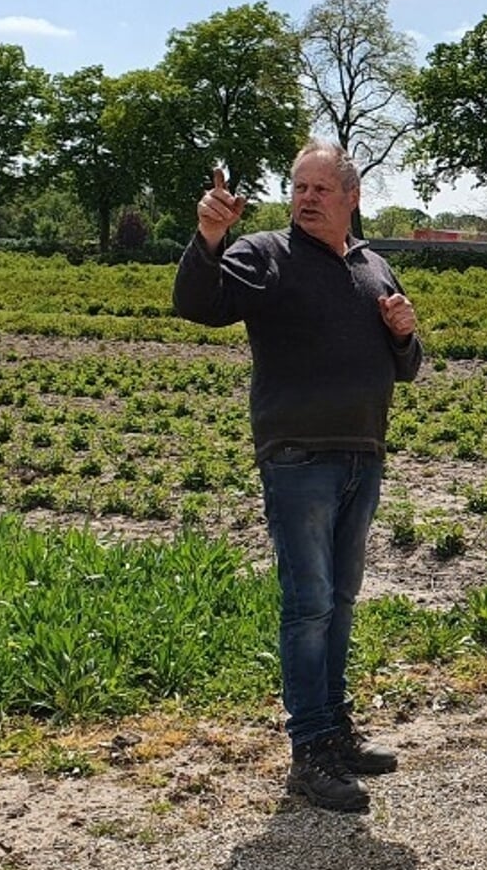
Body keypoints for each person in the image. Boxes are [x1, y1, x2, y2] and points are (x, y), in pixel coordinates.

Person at [173, 140, 423, 813]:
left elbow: (406, 364)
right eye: (298, 187)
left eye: (320, 188)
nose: (306, 198)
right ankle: (309, 749)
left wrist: (403, 333)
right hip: (299, 458)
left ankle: (335, 732)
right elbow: (200, 303)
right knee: (307, 604)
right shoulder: (264, 254)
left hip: (360, 456)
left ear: (352, 196)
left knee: (339, 601)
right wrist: (209, 236)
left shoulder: (373, 265)